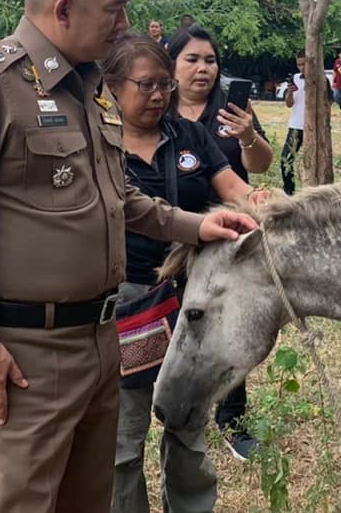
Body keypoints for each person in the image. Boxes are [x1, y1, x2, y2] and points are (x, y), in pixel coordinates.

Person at [0, 0, 256, 513]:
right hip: (21, 352)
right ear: (65, 8)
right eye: (115, 9)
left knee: (89, 499)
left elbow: (117, 198)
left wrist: (197, 227)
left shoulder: (90, 89)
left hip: (100, 340)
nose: (124, 25)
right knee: (14, 500)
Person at [105, 35, 268, 513]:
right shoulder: (99, 145)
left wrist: (255, 200)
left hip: (193, 298)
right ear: (112, 86)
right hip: (129, 301)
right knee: (124, 436)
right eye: (145, 85)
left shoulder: (188, 136)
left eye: (162, 85)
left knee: (188, 422)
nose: (158, 95)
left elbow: (235, 186)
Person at [167, 24, 271, 457]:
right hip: (171, 239)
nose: (202, 69)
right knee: (178, 329)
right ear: (171, 65)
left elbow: (259, 165)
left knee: (229, 327)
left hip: (228, 239)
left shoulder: (232, 109)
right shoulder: (157, 110)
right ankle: (180, 410)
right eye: (191, 59)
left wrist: (247, 134)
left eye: (210, 60)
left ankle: (234, 422)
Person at [280, 49, 330, 195]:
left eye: (304, 64)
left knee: (314, 161)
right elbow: (289, 104)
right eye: (299, 65)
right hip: (296, 126)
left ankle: (315, 191)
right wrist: (290, 92)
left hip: (314, 127)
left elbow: (328, 104)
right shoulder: (295, 78)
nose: (301, 68)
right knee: (286, 159)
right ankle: (289, 191)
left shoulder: (322, 79)